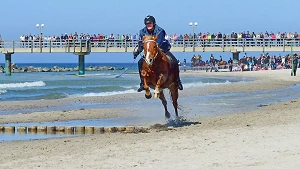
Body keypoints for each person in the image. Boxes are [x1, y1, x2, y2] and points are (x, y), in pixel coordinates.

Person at [133, 15, 183, 92]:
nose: (148, 25)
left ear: (154, 23)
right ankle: (143, 83)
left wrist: (153, 49)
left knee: (174, 61)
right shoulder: (142, 32)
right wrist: (138, 51)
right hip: (150, 51)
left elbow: (159, 43)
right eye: (147, 24)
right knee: (140, 62)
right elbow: (141, 43)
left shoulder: (160, 31)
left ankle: (177, 81)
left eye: (150, 23)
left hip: (162, 48)